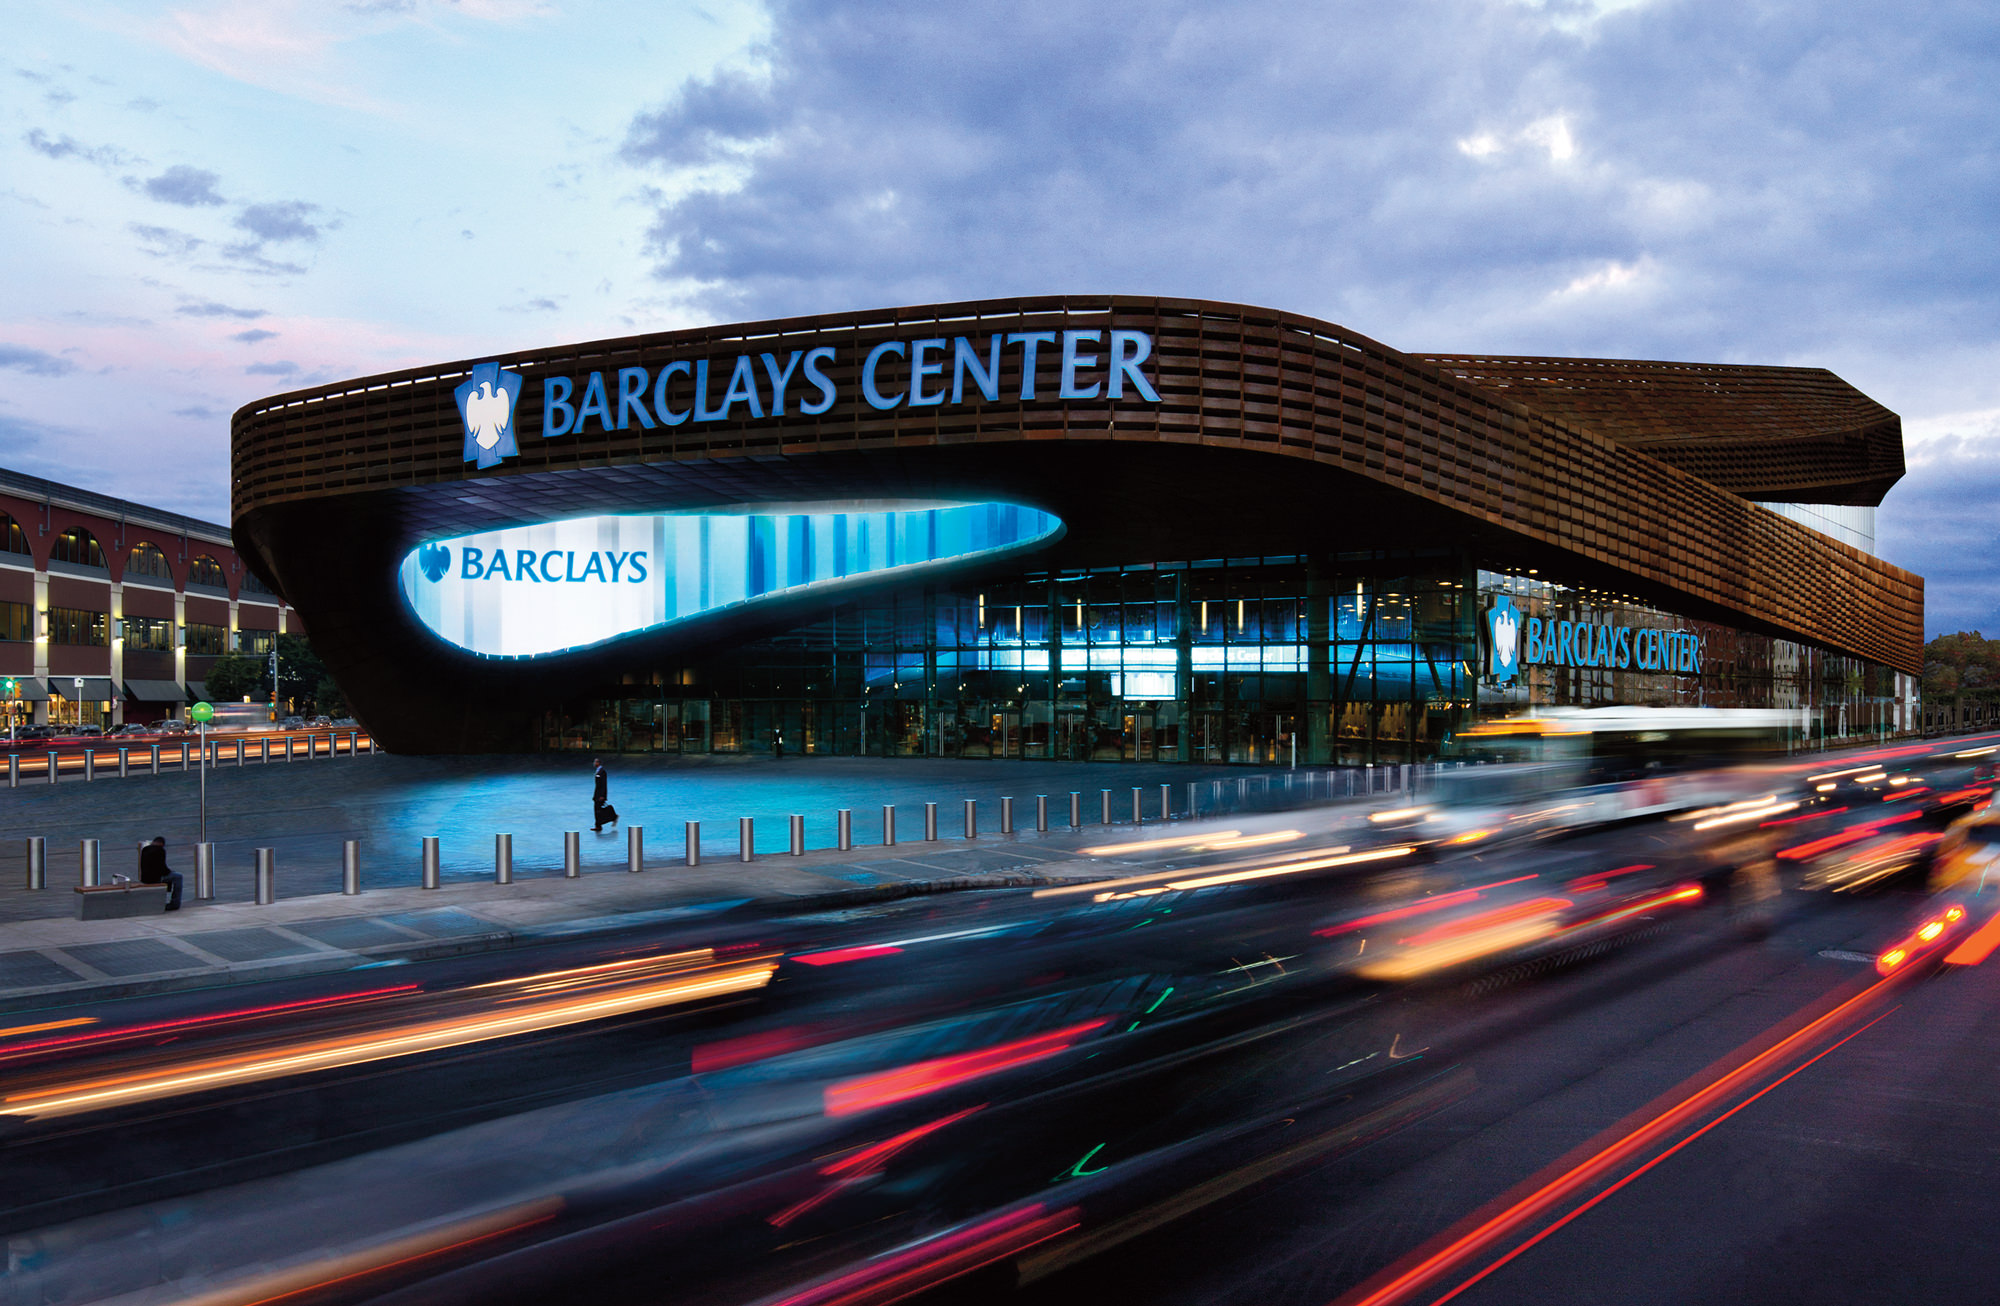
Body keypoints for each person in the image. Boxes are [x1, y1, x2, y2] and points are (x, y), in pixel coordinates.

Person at [138, 836, 183, 911]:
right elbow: (162, 869)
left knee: (172, 875)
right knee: (178, 877)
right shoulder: (160, 850)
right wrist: (171, 871)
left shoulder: (145, 849)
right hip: (155, 878)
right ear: (162, 844)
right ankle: (175, 903)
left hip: (144, 878)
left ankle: (165, 899)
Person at [592, 757, 613, 833]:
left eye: (595, 762)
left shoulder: (602, 772)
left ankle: (599, 825)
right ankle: (598, 825)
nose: (594, 763)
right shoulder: (598, 771)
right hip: (597, 794)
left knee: (598, 810)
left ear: (598, 763)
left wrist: (602, 796)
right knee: (597, 810)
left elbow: (603, 784)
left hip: (599, 795)